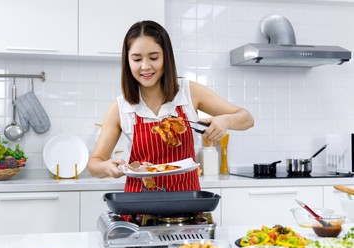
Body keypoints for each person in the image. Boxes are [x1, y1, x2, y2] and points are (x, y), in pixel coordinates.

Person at [88, 20, 254, 192]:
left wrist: (226, 121)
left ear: (166, 57)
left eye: (154, 58)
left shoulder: (189, 92)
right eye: (137, 59)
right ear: (127, 61)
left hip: (186, 204)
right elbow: (95, 163)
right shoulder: (120, 107)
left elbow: (247, 119)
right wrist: (107, 167)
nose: (145, 66)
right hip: (140, 207)